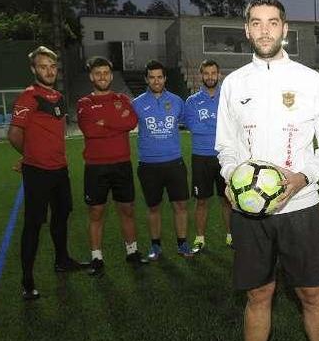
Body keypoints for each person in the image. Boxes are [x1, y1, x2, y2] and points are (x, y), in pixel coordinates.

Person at [216, 0, 319, 341]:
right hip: (251, 213)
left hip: (302, 207)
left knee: (311, 293)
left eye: (273, 23)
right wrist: (233, 178)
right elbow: (226, 145)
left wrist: (302, 178)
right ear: (247, 31)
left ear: (285, 29)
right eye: (257, 23)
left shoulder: (310, 80)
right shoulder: (234, 84)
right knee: (259, 294)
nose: (265, 31)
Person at [7, 46, 87, 300]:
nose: (49, 71)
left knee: (62, 215)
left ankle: (62, 260)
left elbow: (54, 134)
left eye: (52, 67)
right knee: (33, 224)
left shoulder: (59, 98)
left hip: (59, 169)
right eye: (43, 67)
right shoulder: (28, 97)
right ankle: (27, 281)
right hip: (38, 172)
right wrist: (29, 157)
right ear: (34, 70)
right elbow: (14, 134)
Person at [76, 56, 142, 276]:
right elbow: (90, 130)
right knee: (96, 212)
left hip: (122, 163)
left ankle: (132, 252)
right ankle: (96, 257)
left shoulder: (122, 99)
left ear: (111, 75)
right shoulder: (84, 103)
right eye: (98, 73)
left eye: (106, 73)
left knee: (127, 209)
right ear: (91, 76)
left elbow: (131, 122)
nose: (102, 77)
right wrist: (116, 123)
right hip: (95, 167)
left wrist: (104, 122)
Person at [132, 60, 192, 259]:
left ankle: (182, 244)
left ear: (165, 78)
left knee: (180, 205)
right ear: (146, 79)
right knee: (153, 207)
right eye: (152, 77)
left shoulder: (176, 101)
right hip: (148, 165)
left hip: (174, 162)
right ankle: (155, 246)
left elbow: (186, 121)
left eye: (160, 77)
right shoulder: (137, 103)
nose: (156, 81)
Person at [184, 59, 232, 253]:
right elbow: (193, 127)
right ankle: (200, 238)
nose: (210, 77)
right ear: (200, 75)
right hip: (201, 157)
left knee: (227, 199)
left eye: (214, 73)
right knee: (201, 200)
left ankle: (231, 236)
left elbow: (232, 126)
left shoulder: (227, 98)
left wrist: (211, 128)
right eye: (206, 73)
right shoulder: (192, 101)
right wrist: (219, 128)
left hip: (225, 156)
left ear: (219, 75)